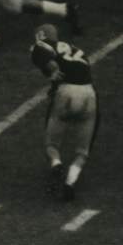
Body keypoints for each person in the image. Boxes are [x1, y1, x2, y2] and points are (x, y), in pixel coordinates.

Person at [30, 24, 99, 201]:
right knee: (82, 152)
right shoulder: (75, 49)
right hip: (89, 95)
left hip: (66, 94)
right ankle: (70, 183)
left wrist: (53, 73)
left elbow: (47, 59)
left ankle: (56, 163)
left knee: (51, 144)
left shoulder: (42, 45)